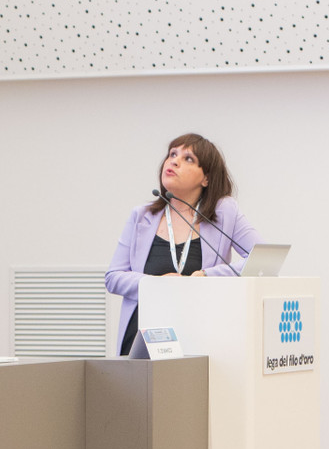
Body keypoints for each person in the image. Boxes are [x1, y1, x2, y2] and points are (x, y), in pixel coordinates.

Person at [106, 132, 259, 356]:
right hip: (145, 336)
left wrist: (207, 276)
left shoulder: (224, 212)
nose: (174, 161)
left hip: (198, 334)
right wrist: (155, 284)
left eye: (188, 158)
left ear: (205, 178)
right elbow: (113, 277)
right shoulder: (141, 216)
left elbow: (263, 260)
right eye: (172, 154)